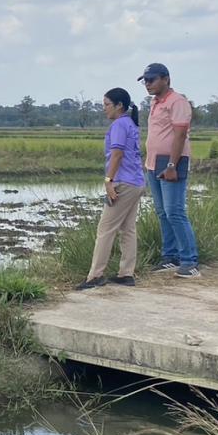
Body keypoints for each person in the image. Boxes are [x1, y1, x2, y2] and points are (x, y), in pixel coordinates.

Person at [77, 87, 145, 290]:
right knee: (128, 229)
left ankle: (95, 275)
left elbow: (117, 154)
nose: (104, 109)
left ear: (119, 106)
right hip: (137, 182)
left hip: (123, 183)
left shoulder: (119, 125)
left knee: (105, 229)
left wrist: (109, 181)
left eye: (107, 105)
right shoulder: (130, 124)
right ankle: (126, 274)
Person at [139, 63, 199, 277]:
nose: (147, 84)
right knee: (163, 212)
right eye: (145, 80)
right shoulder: (155, 102)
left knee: (175, 211)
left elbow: (180, 135)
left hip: (171, 162)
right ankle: (170, 256)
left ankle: (189, 261)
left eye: (151, 80)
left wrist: (172, 165)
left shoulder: (177, 102)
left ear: (166, 79)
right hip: (154, 163)